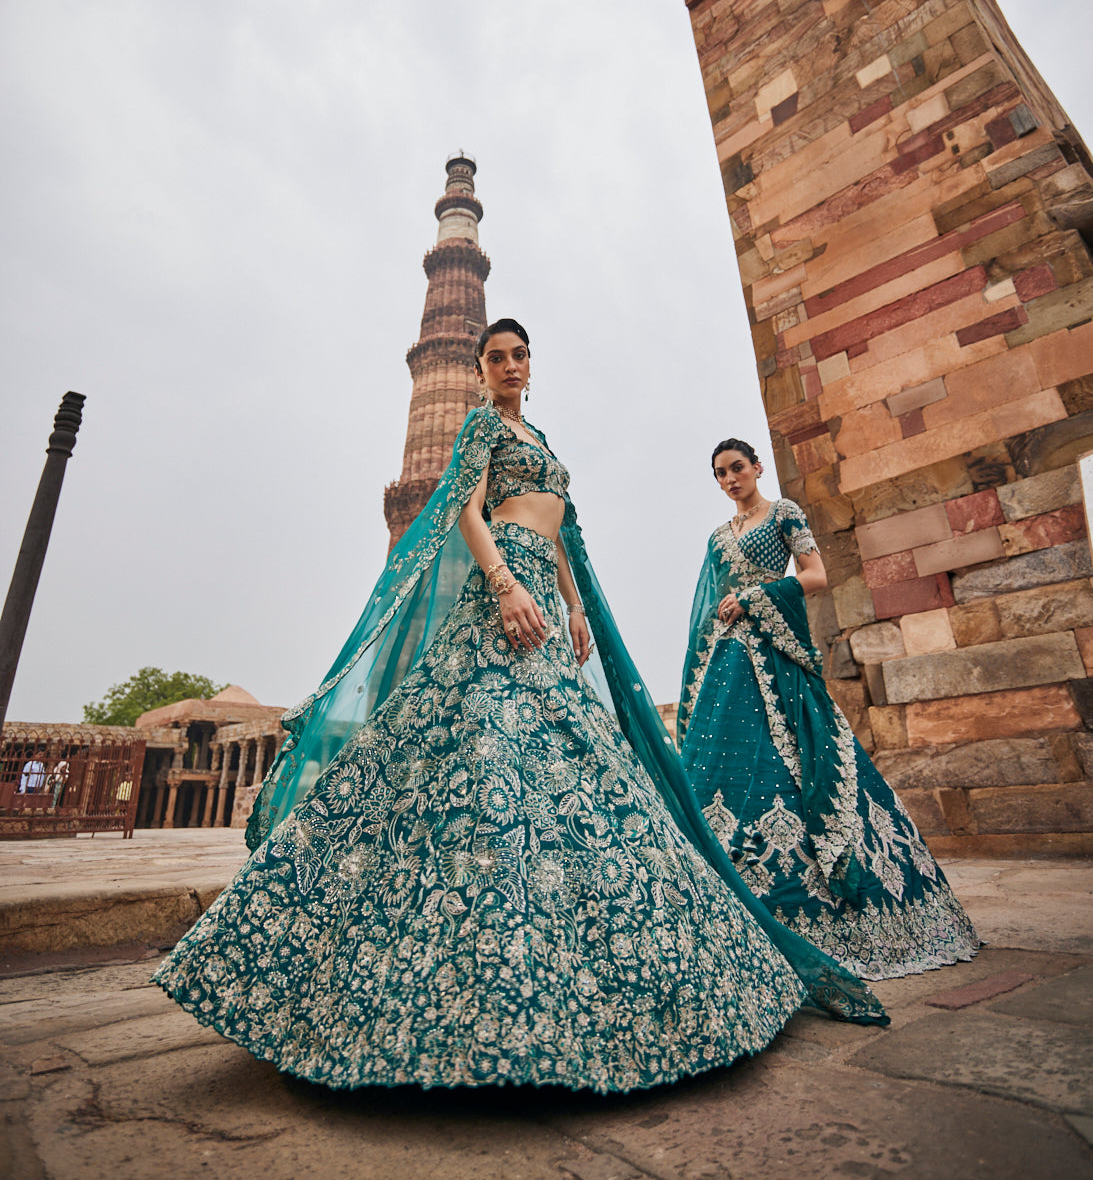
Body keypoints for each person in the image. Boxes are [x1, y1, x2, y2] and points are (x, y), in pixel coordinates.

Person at [156, 325, 886, 1093]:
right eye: (496, 356)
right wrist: (505, 586)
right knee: (479, 741)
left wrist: (571, 605)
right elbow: (467, 512)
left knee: (569, 756)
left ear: (530, 366)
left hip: (544, 590)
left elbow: (562, 530)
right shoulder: (479, 426)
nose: (510, 365)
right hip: (502, 589)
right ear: (478, 370)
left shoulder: (534, 433)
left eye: (519, 355)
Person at [677, 438, 979, 980]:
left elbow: (816, 576)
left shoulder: (784, 514)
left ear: (756, 467)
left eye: (737, 469)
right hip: (730, 660)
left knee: (806, 758)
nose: (729, 480)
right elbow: (708, 601)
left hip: (776, 655)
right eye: (720, 473)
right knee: (715, 765)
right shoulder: (718, 537)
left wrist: (755, 597)